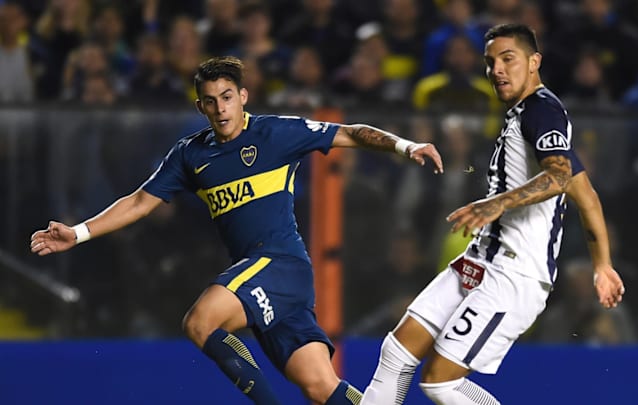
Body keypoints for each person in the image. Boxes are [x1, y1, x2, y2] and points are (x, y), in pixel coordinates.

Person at [30, 56, 443, 405]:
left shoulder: (277, 133)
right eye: (211, 102)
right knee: (322, 388)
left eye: (227, 97)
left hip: (280, 263)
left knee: (200, 323)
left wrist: (407, 146)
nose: (221, 108)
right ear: (201, 107)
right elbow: (140, 202)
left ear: (243, 97)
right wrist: (78, 233)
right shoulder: (191, 154)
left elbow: (350, 133)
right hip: (266, 278)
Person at [360, 23, 625, 405]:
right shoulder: (529, 117)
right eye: (490, 62)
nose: (496, 69)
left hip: (513, 275)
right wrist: (602, 265)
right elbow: (587, 196)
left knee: (439, 382)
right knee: (395, 353)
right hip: (480, 262)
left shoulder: (542, 109)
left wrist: (496, 203)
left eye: (507, 58)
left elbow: (559, 176)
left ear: (534, 62)